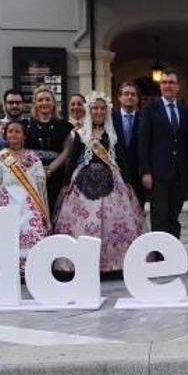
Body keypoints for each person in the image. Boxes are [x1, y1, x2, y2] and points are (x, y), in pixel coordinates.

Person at [55, 91, 145, 274]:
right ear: (89, 110)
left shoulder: (112, 133)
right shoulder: (80, 133)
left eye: (102, 108)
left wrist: (127, 183)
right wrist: (65, 185)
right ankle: (81, 262)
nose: (98, 111)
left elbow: (122, 159)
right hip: (82, 182)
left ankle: (114, 263)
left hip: (112, 181)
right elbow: (72, 160)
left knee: (114, 221)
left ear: (107, 111)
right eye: (95, 108)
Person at [0, 120, 51, 270]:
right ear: (5, 135)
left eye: (17, 132)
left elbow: (42, 188)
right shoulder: (0, 157)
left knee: (32, 234)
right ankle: (10, 270)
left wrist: (45, 213)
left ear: (24, 136)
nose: (14, 134)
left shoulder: (34, 158)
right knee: (8, 237)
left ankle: (31, 269)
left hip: (30, 205)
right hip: (7, 203)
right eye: (10, 131)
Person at [139, 69, 188, 238]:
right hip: (158, 173)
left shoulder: (185, 112)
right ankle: (160, 257)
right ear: (160, 86)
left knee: (174, 217)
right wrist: (146, 171)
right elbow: (144, 142)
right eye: (164, 82)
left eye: (171, 83)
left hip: (180, 172)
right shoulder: (150, 110)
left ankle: (173, 254)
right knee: (160, 217)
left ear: (178, 87)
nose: (168, 86)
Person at [24, 85, 73, 214]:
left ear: (53, 103)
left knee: (54, 210)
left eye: (47, 99)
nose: (44, 103)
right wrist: (38, 169)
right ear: (35, 103)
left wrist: (50, 169)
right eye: (40, 100)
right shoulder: (26, 125)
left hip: (57, 175)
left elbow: (67, 151)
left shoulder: (65, 126)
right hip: (32, 175)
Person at [111, 81, 143, 206]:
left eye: (133, 94)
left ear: (137, 99)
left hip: (138, 173)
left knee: (138, 209)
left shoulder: (144, 118)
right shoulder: (110, 118)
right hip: (116, 173)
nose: (129, 97)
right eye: (126, 94)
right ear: (119, 97)